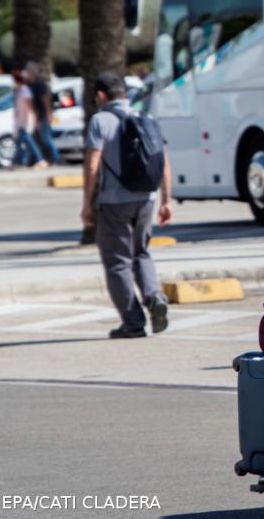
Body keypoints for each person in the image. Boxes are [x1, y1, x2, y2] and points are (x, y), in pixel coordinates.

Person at [81, 73, 173, 339]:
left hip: (115, 202)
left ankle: (133, 323)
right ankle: (154, 296)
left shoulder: (100, 120)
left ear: (100, 96)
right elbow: (164, 162)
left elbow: (92, 163)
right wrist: (166, 200)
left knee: (117, 262)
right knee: (141, 252)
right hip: (147, 198)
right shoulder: (147, 118)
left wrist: (87, 202)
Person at [24, 61, 62, 165]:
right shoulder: (31, 85)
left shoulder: (39, 84)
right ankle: (49, 158)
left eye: (28, 72)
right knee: (43, 138)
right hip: (38, 116)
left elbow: (46, 100)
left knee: (47, 138)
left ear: (32, 72)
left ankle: (56, 158)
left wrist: (48, 114)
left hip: (42, 116)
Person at [12, 69, 48, 169]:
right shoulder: (19, 90)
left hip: (26, 121)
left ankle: (40, 160)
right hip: (20, 121)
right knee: (20, 142)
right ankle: (18, 161)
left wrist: (34, 119)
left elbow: (30, 107)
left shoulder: (25, 90)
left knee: (28, 141)